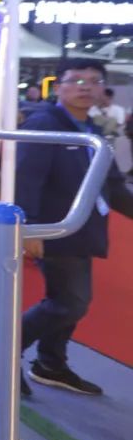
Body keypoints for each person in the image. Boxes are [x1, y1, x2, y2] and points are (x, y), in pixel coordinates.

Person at [18, 59, 133, 398]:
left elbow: (112, 185)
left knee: (67, 300)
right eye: (76, 80)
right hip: (55, 228)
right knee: (70, 303)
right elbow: (26, 176)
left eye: (93, 81)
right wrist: (30, 226)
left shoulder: (92, 130)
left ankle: (51, 364)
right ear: (58, 87)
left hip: (83, 229)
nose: (85, 87)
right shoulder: (44, 124)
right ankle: (0, 355)